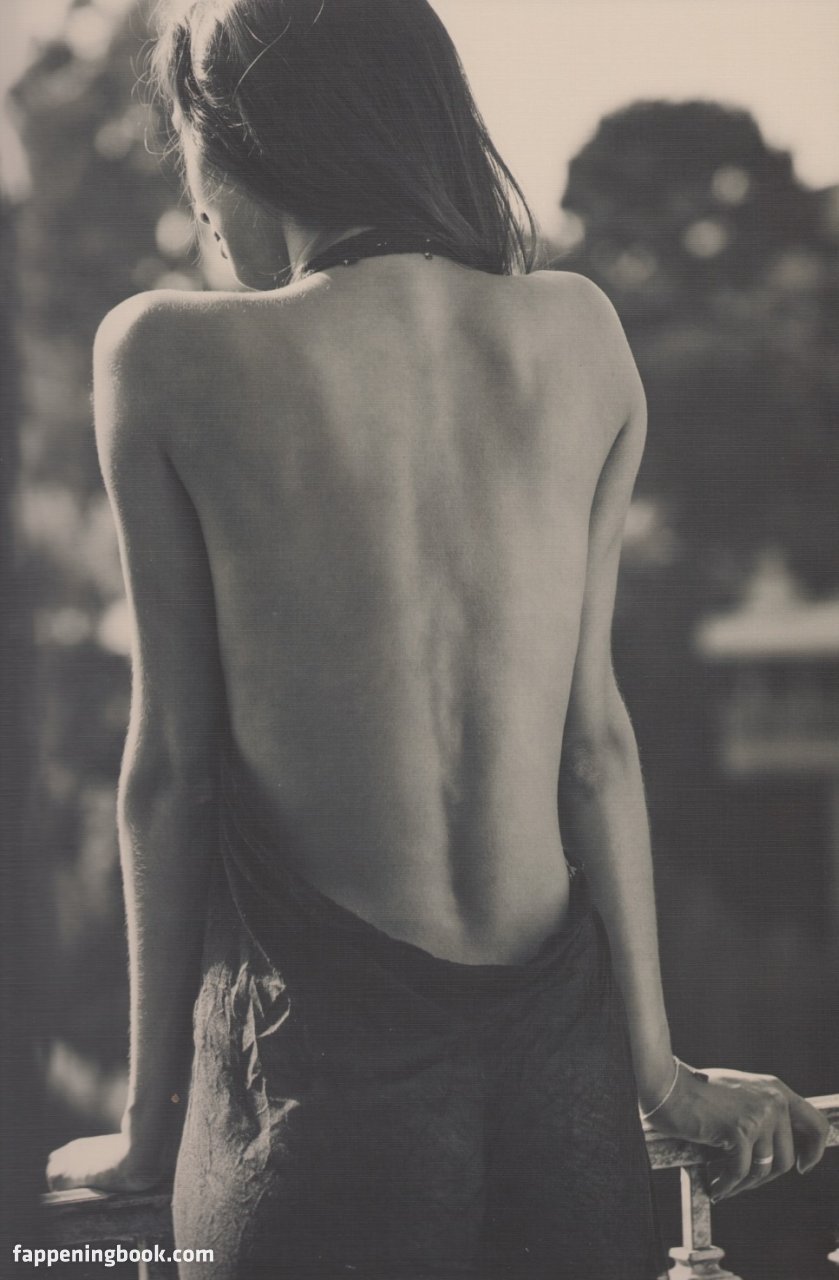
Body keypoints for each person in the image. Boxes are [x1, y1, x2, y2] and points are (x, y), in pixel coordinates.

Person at [46, 1, 829, 1276]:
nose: (196, 208)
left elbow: (171, 768)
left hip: (323, 1086)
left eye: (190, 154)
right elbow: (591, 745)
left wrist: (146, 1129)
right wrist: (656, 1071)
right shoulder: (579, 332)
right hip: (562, 1091)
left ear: (249, 137)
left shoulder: (163, 351)